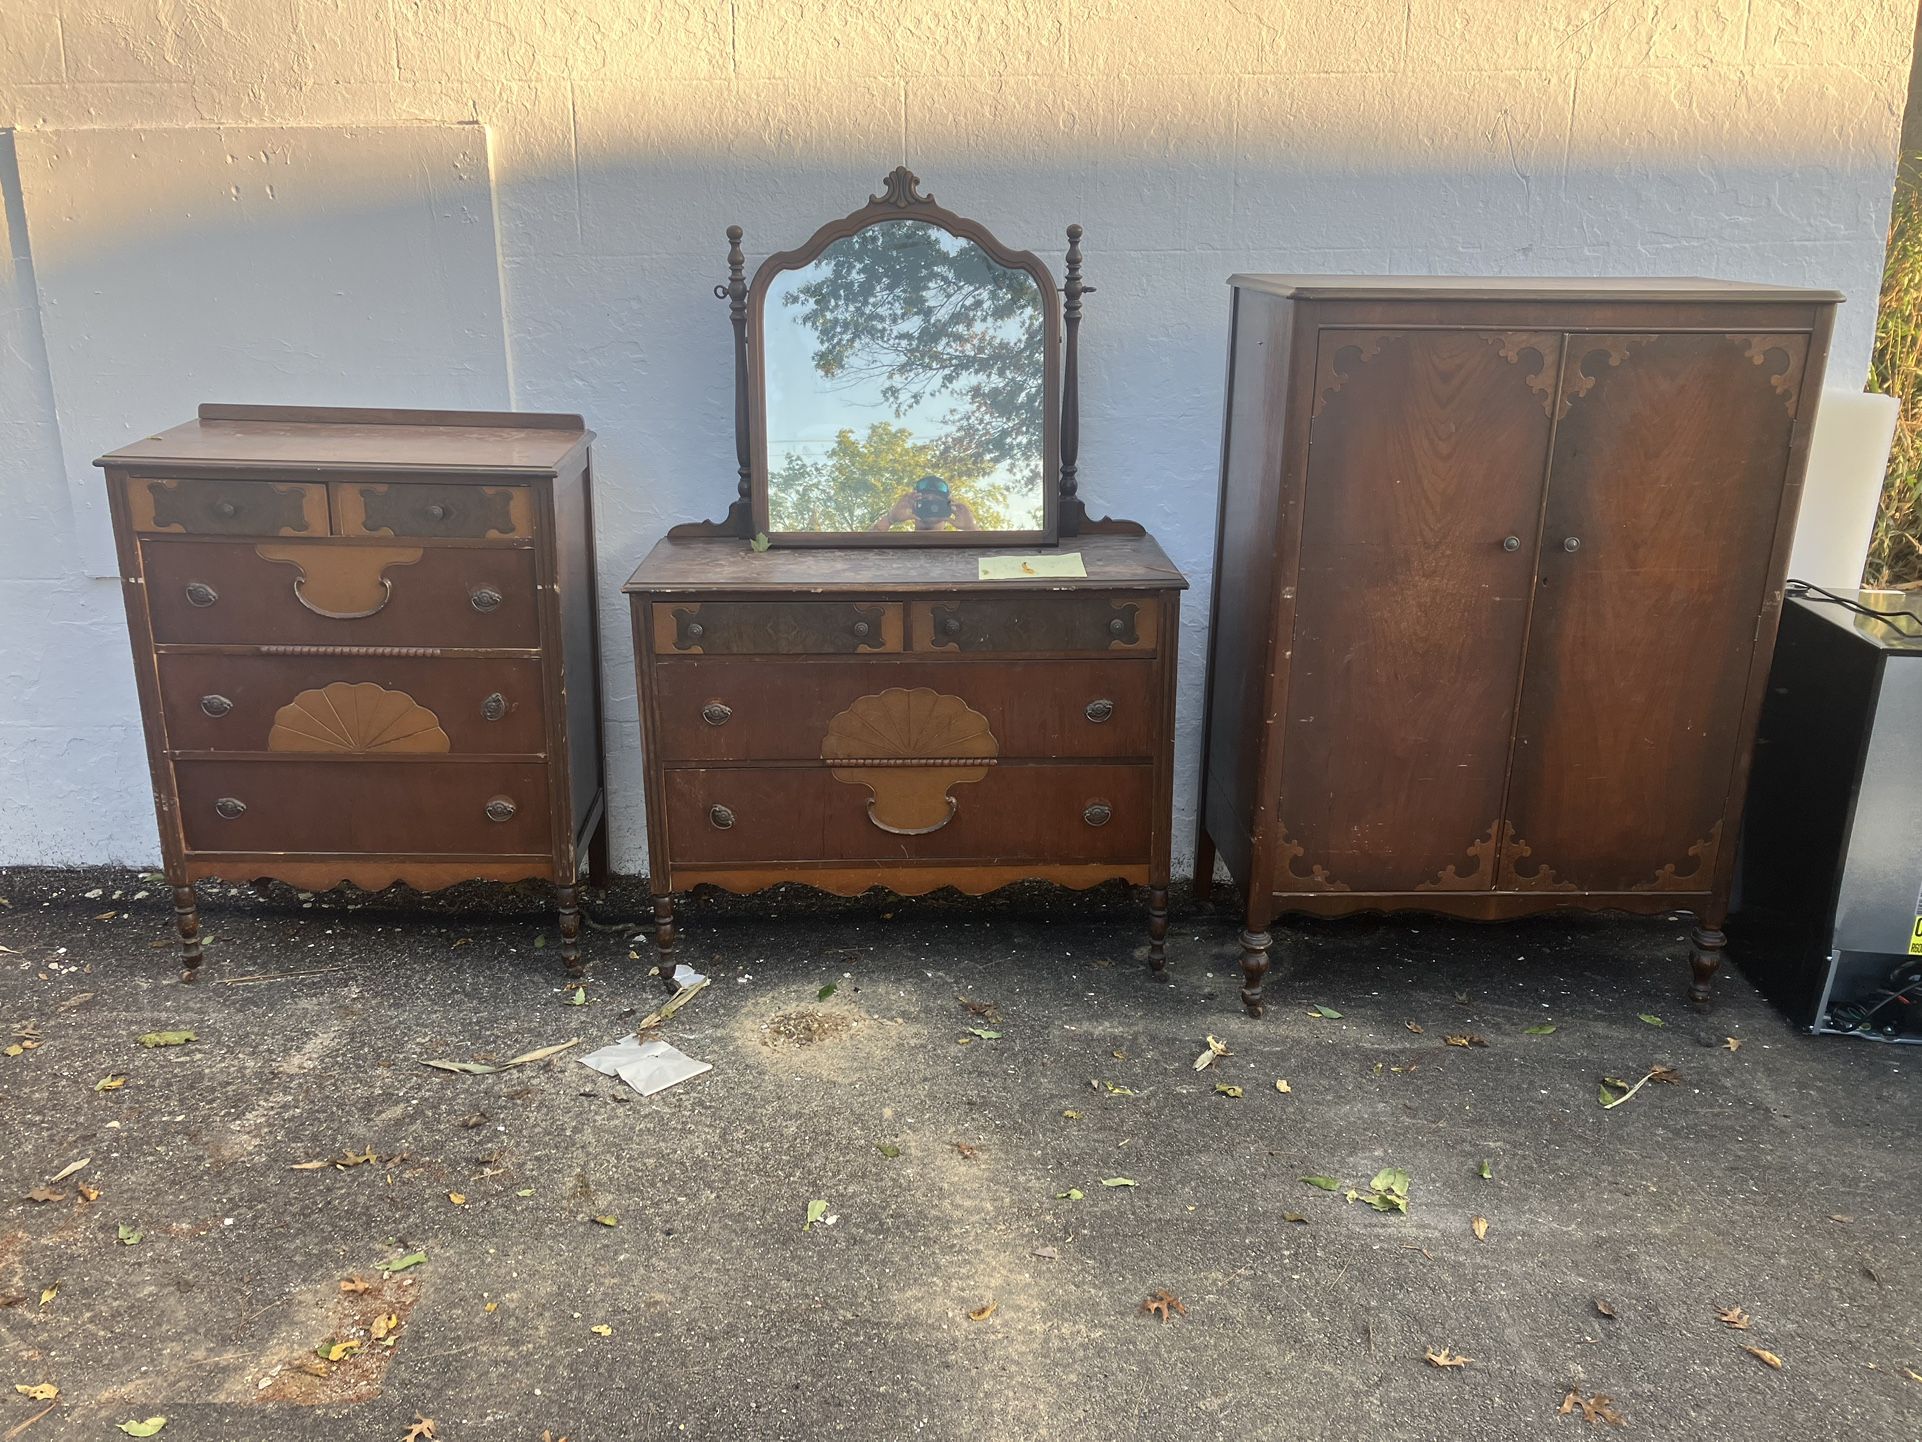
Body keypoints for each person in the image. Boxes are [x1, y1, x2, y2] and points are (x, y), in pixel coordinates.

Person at [869, 475, 978, 532]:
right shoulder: (897, 546)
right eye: (925, 501)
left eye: (937, 501)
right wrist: (890, 519)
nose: (931, 506)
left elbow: (990, 568)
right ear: (913, 506)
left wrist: (971, 529)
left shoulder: (961, 548)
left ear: (949, 508)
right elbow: (863, 556)